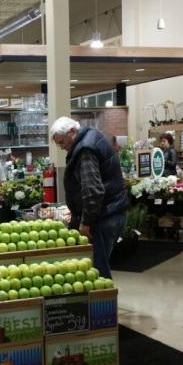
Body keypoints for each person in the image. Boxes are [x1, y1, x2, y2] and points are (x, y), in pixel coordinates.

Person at [50, 116, 129, 279]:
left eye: (62, 142)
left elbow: (92, 190)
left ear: (73, 132)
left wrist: (85, 222)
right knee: (98, 266)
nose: (62, 147)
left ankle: (104, 296)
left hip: (104, 216)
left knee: (97, 271)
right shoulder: (92, 137)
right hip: (111, 211)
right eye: (58, 144)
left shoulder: (85, 149)